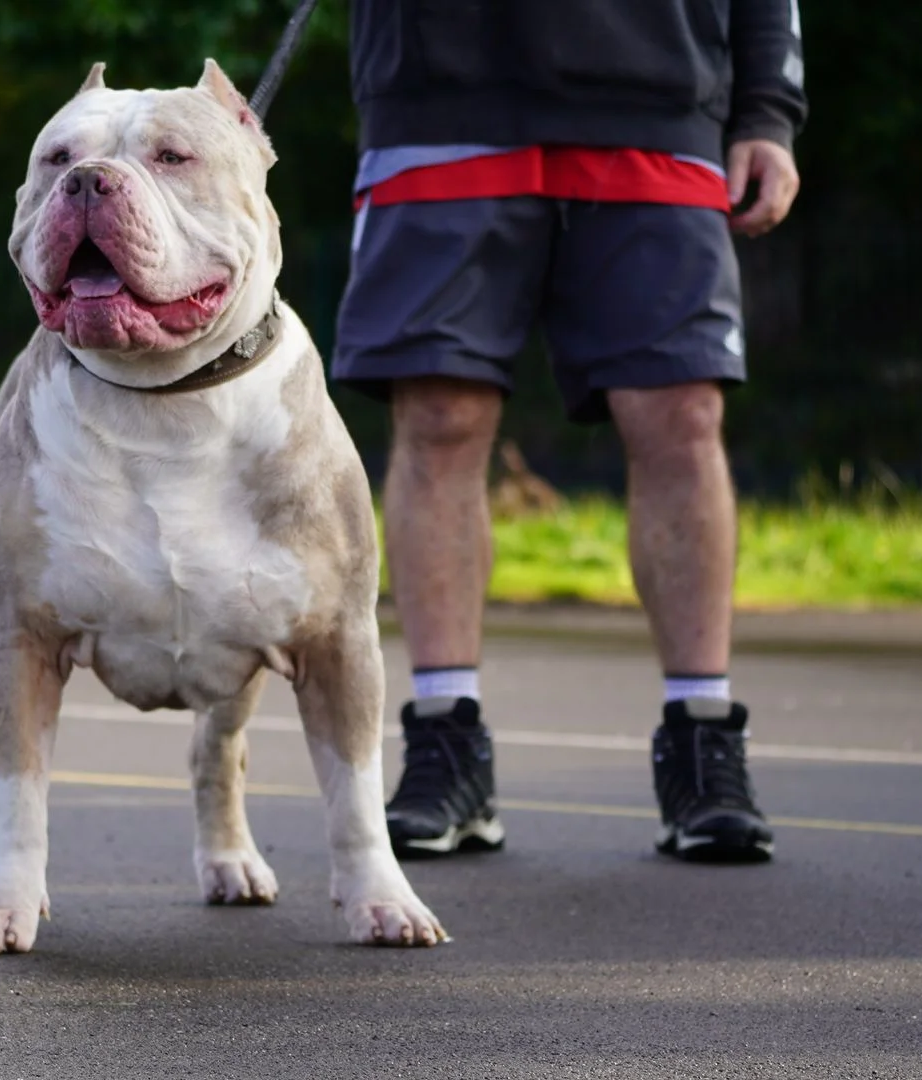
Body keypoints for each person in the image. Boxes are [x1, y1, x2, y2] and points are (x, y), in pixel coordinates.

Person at [334, 2, 807, 863]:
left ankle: (704, 748)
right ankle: (445, 747)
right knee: (439, 416)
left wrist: (768, 108)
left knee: (681, 412)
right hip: (438, 96)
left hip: (657, 93)